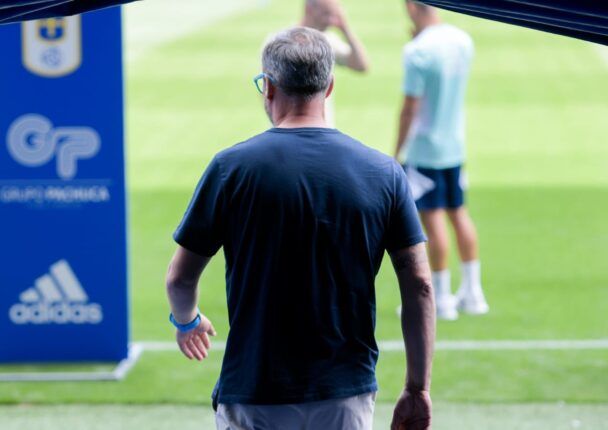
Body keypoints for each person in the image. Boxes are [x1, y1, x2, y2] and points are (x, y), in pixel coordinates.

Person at [165, 27, 434, 430]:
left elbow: (180, 279)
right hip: (345, 392)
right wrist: (417, 388)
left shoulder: (230, 169)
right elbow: (420, 286)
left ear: (268, 87)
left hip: (254, 389)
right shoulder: (384, 173)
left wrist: (187, 322)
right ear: (329, 87)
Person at [394, 1, 489, 321]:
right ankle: (473, 292)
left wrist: (397, 151)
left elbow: (410, 106)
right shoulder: (462, 40)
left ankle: (441, 298)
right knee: (459, 214)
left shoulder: (417, 50)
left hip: (424, 149)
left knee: (432, 220)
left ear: (411, 6)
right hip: (454, 146)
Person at [300, 0, 369, 125]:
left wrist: (345, 28)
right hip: (291, 130)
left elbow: (361, 66)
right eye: (326, 14)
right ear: (309, 9)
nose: (331, 21)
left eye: (333, 15)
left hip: (322, 129)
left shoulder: (328, 41)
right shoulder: (280, 43)